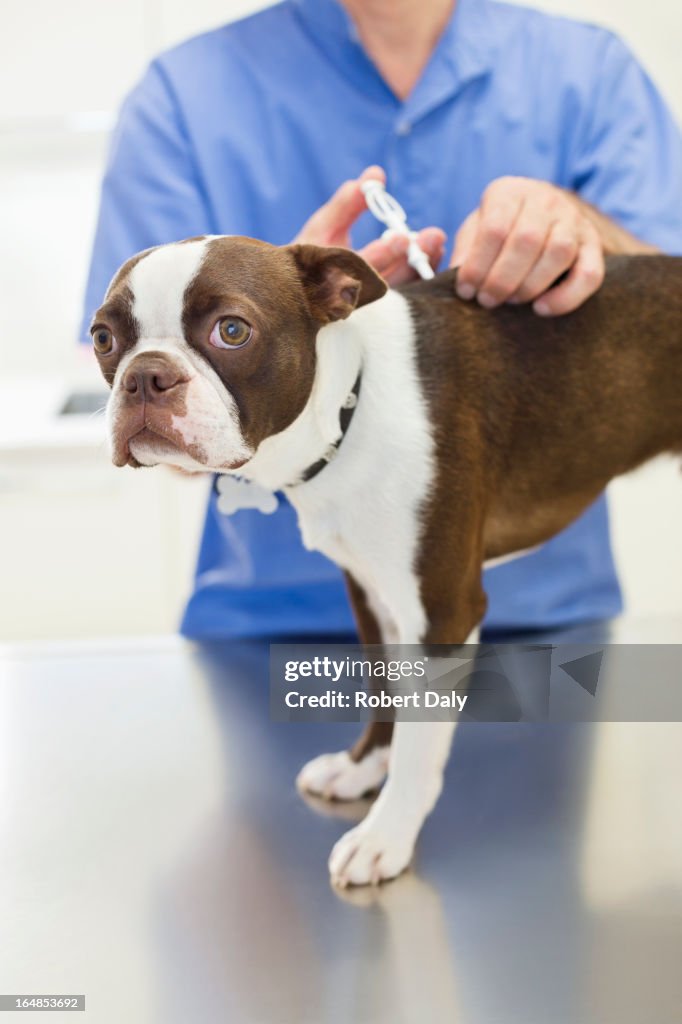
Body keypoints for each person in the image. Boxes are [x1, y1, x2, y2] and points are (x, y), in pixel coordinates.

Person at [81, 0, 682, 640]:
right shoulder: (182, 92)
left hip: (550, 615)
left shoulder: (589, 70)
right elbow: (152, 395)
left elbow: (663, 308)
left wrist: (584, 226)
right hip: (275, 632)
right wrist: (279, 325)